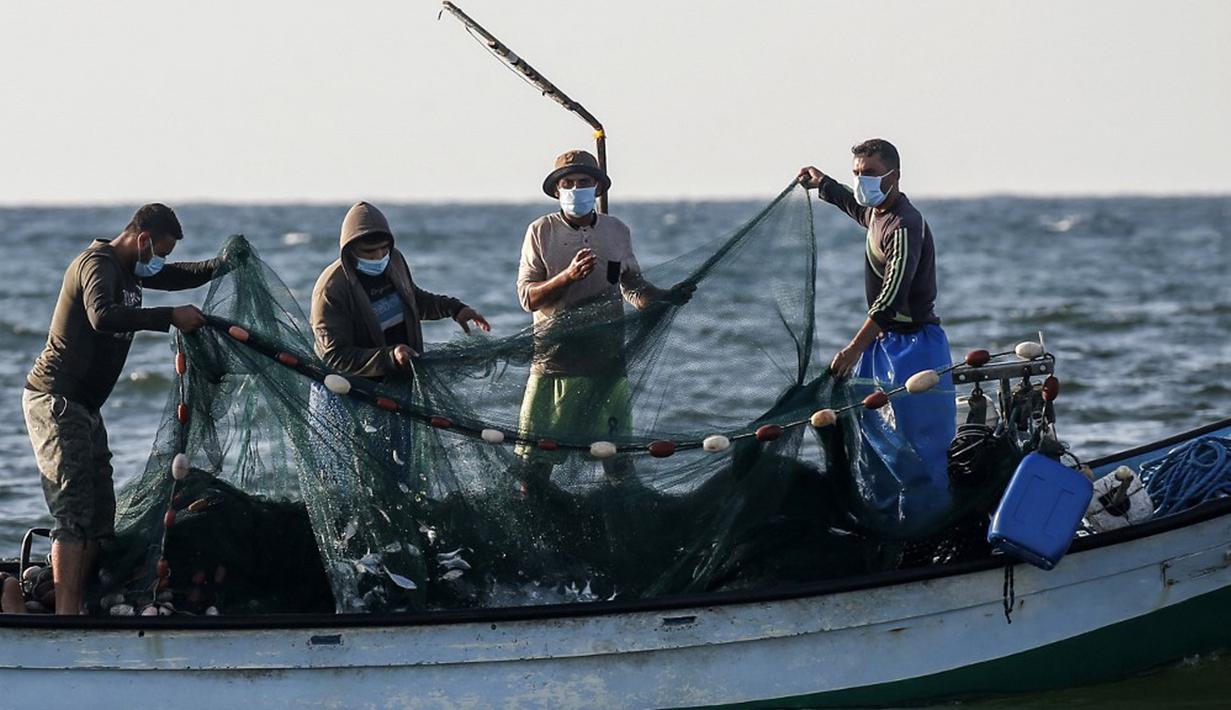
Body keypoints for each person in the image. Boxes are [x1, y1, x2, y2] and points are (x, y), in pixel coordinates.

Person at [23, 203, 220, 615]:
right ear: (141, 238)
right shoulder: (97, 264)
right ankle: (65, 618)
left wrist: (224, 264)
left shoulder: (134, 270)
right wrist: (170, 317)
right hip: (56, 401)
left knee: (101, 514)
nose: (159, 262)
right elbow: (103, 316)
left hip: (86, 408)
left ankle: (76, 603)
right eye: (158, 252)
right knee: (74, 510)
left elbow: (178, 275)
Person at [797, 139, 957, 529]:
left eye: (868, 174)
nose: (861, 182)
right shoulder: (878, 215)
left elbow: (889, 302)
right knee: (878, 443)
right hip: (884, 345)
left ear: (894, 176)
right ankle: (887, 523)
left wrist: (852, 350)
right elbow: (857, 209)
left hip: (916, 347)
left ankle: (926, 528)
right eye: (857, 174)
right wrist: (825, 184)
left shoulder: (904, 225)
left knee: (919, 448)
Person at [515, 150, 694, 486]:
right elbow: (527, 297)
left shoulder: (617, 231)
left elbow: (634, 288)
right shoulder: (540, 232)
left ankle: (627, 526)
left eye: (583, 182)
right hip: (554, 365)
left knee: (618, 465)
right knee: (535, 469)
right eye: (568, 183)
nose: (575, 189)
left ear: (597, 188)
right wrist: (567, 277)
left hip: (607, 364)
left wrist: (666, 298)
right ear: (556, 191)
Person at [311, 201, 489, 379]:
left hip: (396, 380)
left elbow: (412, 300)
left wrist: (454, 309)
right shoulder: (330, 290)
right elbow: (334, 356)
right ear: (350, 251)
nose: (378, 257)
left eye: (383, 249)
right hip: (346, 390)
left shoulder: (394, 259)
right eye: (369, 252)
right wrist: (390, 357)